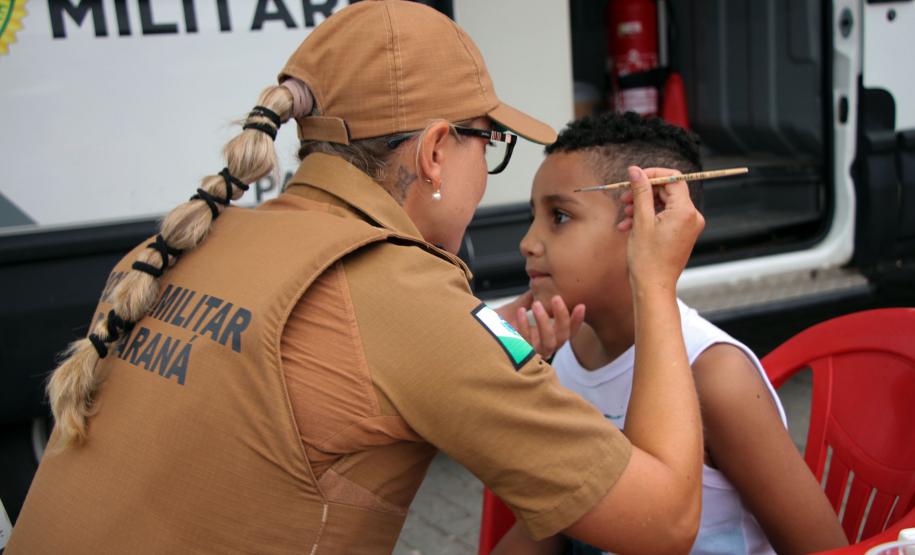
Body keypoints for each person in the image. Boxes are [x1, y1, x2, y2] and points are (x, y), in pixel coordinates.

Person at [6, 3, 706, 554]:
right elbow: (667, 519)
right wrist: (651, 279)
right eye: (487, 143)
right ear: (436, 150)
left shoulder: (184, 243)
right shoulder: (400, 293)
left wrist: (504, 352)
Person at [493, 112, 849, 555]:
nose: (528, 241)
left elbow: (822, 546)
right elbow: (551, 522)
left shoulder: (716, 377)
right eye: (534, 216)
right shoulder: (563, 352)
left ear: (649, 215)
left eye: (560, 216)